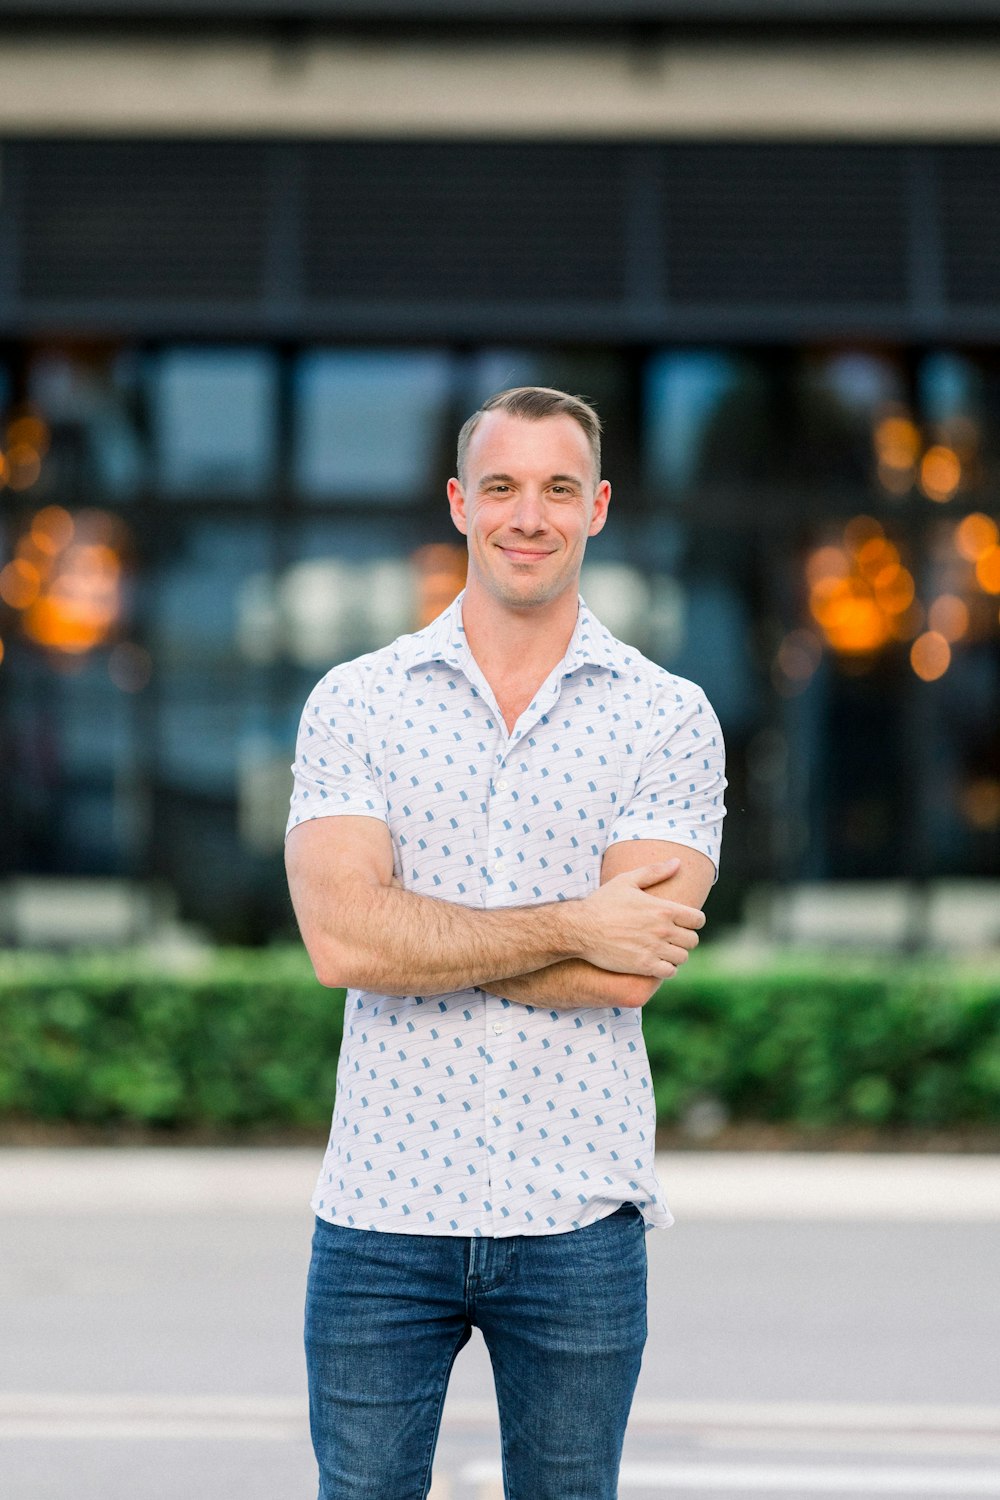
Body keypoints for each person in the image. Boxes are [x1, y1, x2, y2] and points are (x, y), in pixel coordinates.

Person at [285, 386, 726, 1500]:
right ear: (458, 502)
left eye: (556, 489)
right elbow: (342, 940)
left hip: (575, 1217)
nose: (527, 514)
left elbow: (631, 970)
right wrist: (575, 919)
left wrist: (418, 931)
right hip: (382, 1211)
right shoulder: (358, 701)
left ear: (598, 507)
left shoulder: (666, 716)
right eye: (501, 487)